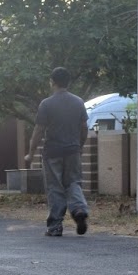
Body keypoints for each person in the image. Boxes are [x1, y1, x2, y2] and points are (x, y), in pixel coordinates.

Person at [27, 67, 90, 236]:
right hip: (72, 150)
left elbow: (38, 130)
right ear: (68, 82)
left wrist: (31, 152)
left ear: (52, 82)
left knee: (55, 187)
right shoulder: (78, 102)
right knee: (73, 182)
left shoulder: (46, 104)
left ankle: (55, 226)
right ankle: (79, 210)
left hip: (52, 152)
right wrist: (80, 146)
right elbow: (84, 128)